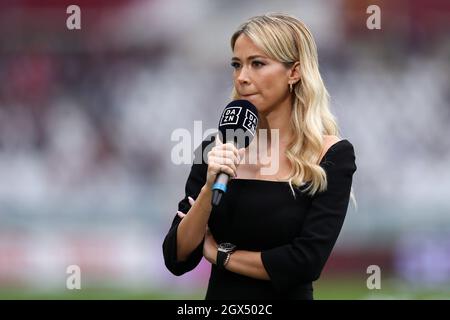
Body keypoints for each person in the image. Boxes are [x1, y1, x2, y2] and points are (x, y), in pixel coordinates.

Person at [162, 13, 357, 300]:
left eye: (257, 64)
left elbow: (305, 262)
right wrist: (208, 188)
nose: (242, 77)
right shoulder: (216, 148)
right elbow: (177, 257)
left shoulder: (331, 155)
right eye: (237, 64)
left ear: (294, 72)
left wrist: (220, 255)